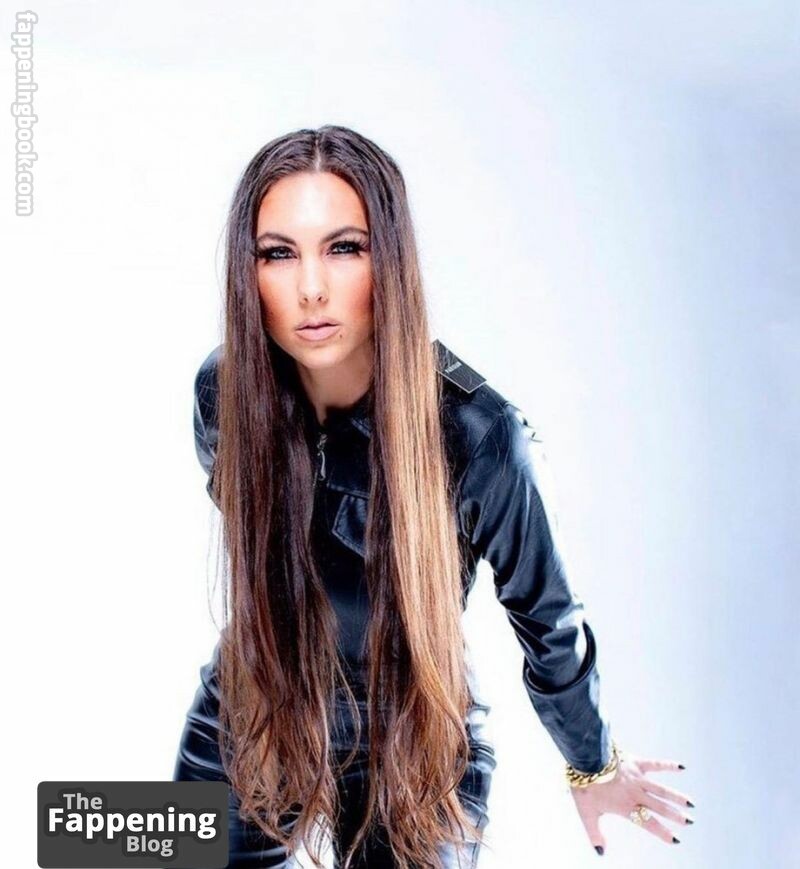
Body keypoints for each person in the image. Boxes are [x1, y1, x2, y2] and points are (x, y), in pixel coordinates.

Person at [173, 125, 695, 869]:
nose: (311, 288)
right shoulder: (223, 392)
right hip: (254, 709)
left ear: (388, 257)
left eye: (344, 247)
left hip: (414, 739)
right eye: (279, 254)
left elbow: (547, 616)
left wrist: (593, 762)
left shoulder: (479, 433)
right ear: (247, 271)